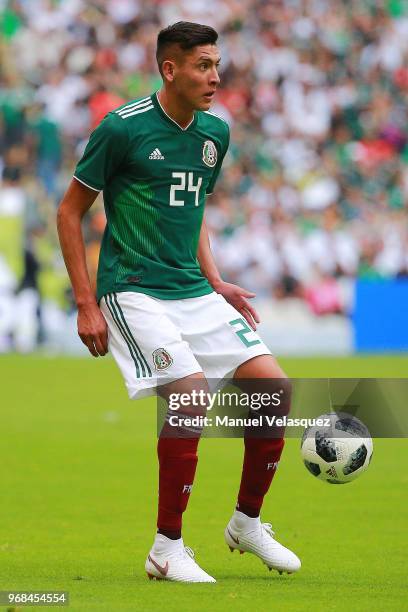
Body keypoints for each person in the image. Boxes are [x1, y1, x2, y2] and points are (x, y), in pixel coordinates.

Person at [57, 21, 301, 583]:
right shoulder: (122, 129)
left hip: (193, 289)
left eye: (216, 64)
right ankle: (167, 546)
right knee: (189, 398)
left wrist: (216, 280)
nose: (215, 76)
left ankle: (247, 523)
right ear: (171, 69)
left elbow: (190, 212)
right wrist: (86, 303)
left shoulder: (215, 133)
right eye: (203, 65)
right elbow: (70, 212)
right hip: (134, 288)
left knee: (275, 389)